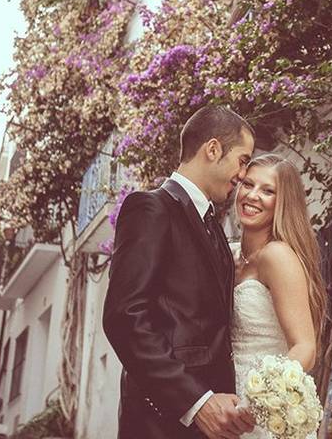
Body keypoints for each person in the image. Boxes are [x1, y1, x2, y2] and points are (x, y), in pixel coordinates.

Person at [104, 106, 257, 439]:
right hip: (160, 423)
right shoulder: (151, 207)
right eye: (243, 160)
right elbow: (124, 316)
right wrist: (196, 402)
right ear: (213, 149)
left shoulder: (213, 227)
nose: (243, 175)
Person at [231, 154, 326, 439]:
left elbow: (305, 347)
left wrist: (259, 401)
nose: (253, 195)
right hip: (225, 404)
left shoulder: (278, 256)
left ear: (284, 202)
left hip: (262, 412)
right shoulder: (231, 255)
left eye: (268, 190)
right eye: (248, 184)